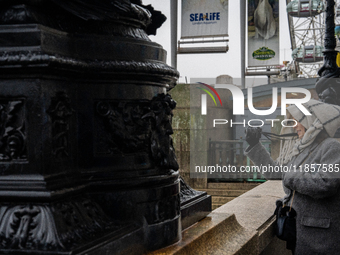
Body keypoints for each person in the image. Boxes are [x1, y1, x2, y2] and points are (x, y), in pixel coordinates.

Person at [245, 99, 340, 255]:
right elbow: (276, 173)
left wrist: (290, 175)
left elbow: (326, 183)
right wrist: (254, 144)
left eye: (298, 121)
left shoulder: (331, 147)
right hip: (302, 234)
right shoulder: (303, 149)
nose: (295, 126)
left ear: (313, 121)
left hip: (320, 239)